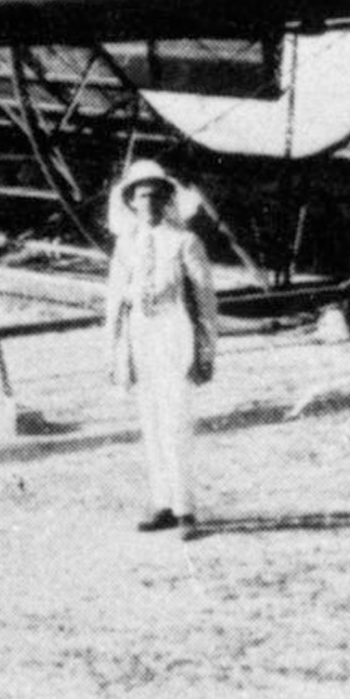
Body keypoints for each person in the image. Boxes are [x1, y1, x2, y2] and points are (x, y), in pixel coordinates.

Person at [102, 159, 221, 537]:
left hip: (174, 335)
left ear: (167, 198)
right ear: (131, 202)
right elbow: (114, 302)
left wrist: (206, 352)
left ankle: (186, 509)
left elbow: (205, 303)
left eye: (155, 195)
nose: (148, 203)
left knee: (176, 422)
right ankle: (163, 503)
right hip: (141, 336)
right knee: (151, 424)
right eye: (141, 196)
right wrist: (113, 352)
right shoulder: (126, 245)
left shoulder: (185, 242)